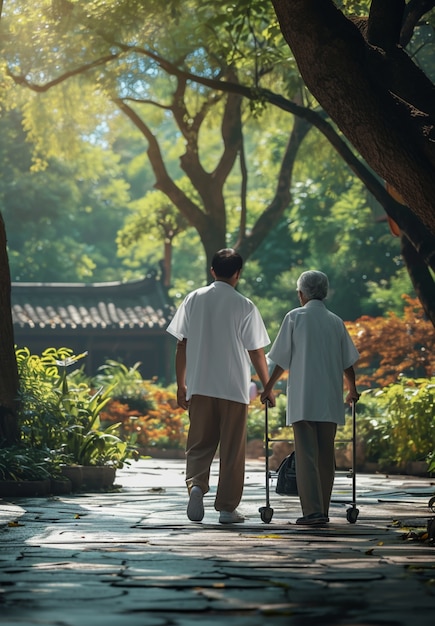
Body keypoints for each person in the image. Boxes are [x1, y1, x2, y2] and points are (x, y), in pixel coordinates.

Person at [167, 248, 274, 524]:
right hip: (234, 388)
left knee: (199, 444)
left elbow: (181, 344)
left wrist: (181, 385)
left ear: (212, 271)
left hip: (200, 385)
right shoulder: (245, 305)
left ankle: (197, 486)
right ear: (237, 274)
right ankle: (227, 508)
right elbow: (256, 352)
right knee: (232, 449)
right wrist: (268, 386)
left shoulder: (194, 299)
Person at [261, 270, 360, 526]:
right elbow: (347, 361)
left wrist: (268, 387)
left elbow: (281, 360)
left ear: (301, 293)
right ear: (324, 292)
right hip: (329, 398)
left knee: (306, 455)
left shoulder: (295, 317)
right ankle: (323, 509)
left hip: (304, 397)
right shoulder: (335, 321)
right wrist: (352, 389)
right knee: (326, 454)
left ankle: (312, 512)